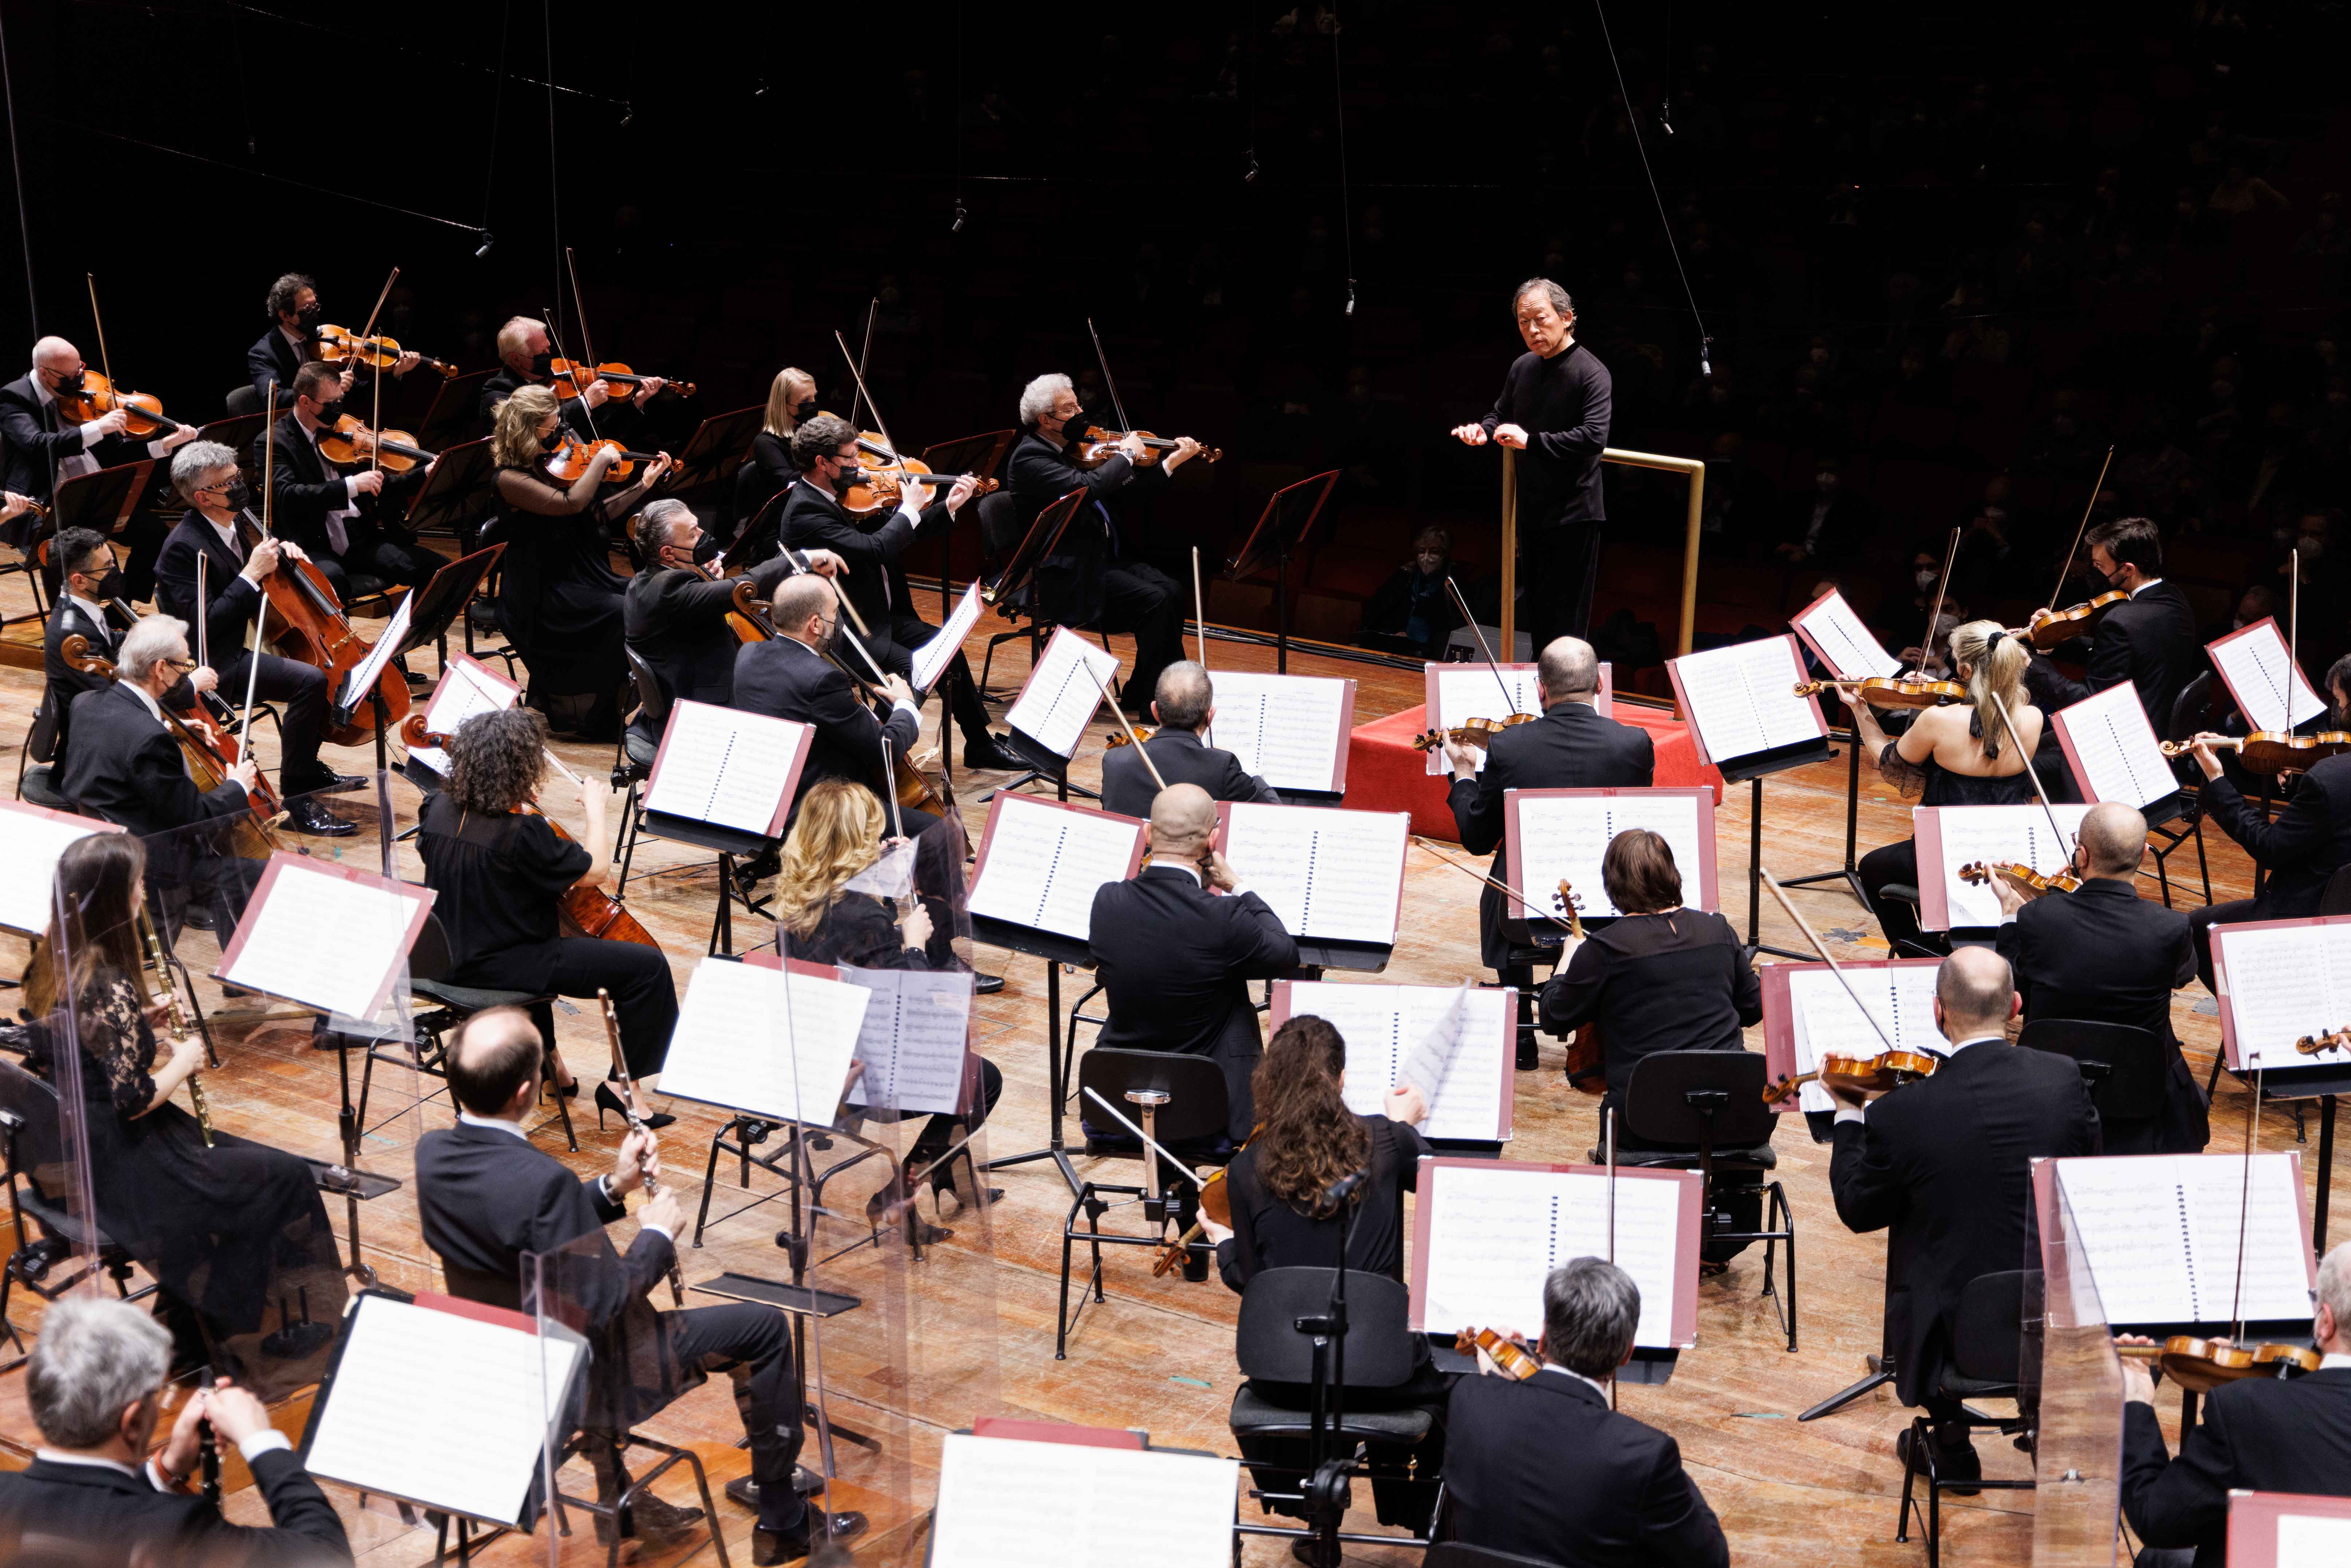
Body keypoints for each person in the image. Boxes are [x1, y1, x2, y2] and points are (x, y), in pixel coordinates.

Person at [414, 1007, 863, 1563]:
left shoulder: (434, 1153)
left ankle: (623, 1502)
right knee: (765, 1328)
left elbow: (521, 1221)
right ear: (528, 1090)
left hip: (511, 1358)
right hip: (589, 1372)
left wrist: (612, 1185)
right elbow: (601, 1305)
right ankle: (784, 1518)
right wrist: (655, 1235)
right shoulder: (542, 1181)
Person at [20, 833, 347, 1398]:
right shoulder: (108, 981)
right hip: (126, 1158)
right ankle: (229, 1330)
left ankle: (197, 1317)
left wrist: (138, 1025)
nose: (145, 891)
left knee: (258, 1169)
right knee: (281, 1178)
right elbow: (134, 1098)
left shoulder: (51, 957)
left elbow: (67, 1041)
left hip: (77, 1144)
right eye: (137, 884)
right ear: (114, 900)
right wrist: (185, 1059)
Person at [1829, 946, 2100, 1486]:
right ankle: (2046, 1420)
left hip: (1957, 1333)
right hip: (2055, 1318)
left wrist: (1849, 1114)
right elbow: (2087, 1183)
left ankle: (1950, 1442)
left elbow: (1859, 1209)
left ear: (1938, 1011)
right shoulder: (2064, 1081)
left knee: (1932, 1235)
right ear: (2016, 1006)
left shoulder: (1903, 1112)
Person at [1200, 1014, 1443, 1532]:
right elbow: (1442, 1187)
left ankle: (1310, 1511)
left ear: (1270, 1082)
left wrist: (1222, 1245)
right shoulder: (1384, 1140)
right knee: (1461, 1371)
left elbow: (1251, 1277)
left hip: (1284, 1374)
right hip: (1381, 1371)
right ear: (1339, 1079)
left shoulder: (1245, 1169)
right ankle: (1423, 1514)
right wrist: (1404, 1125)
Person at [416, 707, 676, 1127]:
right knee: (647, 968)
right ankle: (622, 1088)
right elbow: (594, 871)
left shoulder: (436, 809)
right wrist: (596, 809)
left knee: (530, 925)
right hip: (503, 966)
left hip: (445, 956)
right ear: (521, 767)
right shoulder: (522, 834)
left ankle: (554, 1074)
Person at [775, 779, 1003, 1227]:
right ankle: (902, 1190)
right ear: (854, 844)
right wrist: (914, 945)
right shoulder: (865, 916)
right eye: (871, 836)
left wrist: (883, 874)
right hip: (860, 1078)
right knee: (981, 1079)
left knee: (962, 1066)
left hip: (818, 1054)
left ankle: (953, 1178)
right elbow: (908, 1014)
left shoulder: (796, 895)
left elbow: (852, 959)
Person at [0, 1296, 352, 1567]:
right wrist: (260, 1440)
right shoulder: (174, 1530)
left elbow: (85, 1516)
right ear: (134, 1420)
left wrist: (165, 1468)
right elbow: (327, 1556)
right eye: (158, 1394)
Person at [1443, 635, 1654, 1066]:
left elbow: (1477, 839)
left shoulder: (1508, 747)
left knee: (1500, 881)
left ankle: (1520, 1031)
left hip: (1528, 906)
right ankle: (1599, 1022)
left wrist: (1464, 773)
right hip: (1612, 900)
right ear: (1599, 685)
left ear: (1540, 689)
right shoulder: (1634, 744)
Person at [1444, 1258, 1728, 1568]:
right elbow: (1710, 1560)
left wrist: (1502, 1380)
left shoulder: (1468, 1399)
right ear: (1626, 1353)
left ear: (1542, 1338)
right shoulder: (1644, 1455)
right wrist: (1664, 1471)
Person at [777, 412, 1019, 770]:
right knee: (916, 670)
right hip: (847, 629)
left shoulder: (843, 495)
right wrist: (908, 507)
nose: (860, 466)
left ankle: (980, 745)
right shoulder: (806, 511)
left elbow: (895, 534)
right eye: (850, 459)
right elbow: (875, 547)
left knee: (946, 650)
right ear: (822, 463)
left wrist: (947, 506)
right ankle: (876, 751)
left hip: (881, 615)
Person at [151, 441, 359, 837]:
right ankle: (297, 801)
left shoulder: (230, 522)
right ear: (203, 497)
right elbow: (202, 624)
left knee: (316, 673)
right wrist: (250, 573)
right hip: (211, 665)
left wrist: (282, 554)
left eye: (237, 476)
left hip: (241, 644)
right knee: (310, 680)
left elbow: (260, 580)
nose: (238, 485)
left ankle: (309, 771)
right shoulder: (181, 548)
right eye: (227, 481)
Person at [2117, 1239, 2351, 1568]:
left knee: (2160, 1557)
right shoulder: (2252, 1407)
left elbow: (2156, 1517)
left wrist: (2136, 1401)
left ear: (2326, 1322)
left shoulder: (2248, 1410)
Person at [1088, 783, 1299, 1146]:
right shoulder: (1224, 916)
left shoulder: (1107, 900)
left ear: (1148, 834)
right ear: (1212, 841)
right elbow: (1285, 953)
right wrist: (1238, 886)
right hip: (1206, 1104)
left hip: (1120, 1095)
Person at [1992, 801, 2208, 1153]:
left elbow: (2012, 995)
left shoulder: (2036, 918)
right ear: (2143, 854)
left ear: (2081, 855)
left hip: (2050, 1084)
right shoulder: (2171, 927)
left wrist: (2011, 918)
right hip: (2138, 1087)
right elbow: (2182, 976)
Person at [1538, 830, 1762, 1144]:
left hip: (1645, 1122)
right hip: (1732, 1114)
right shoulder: (1718, 929)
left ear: (1612, 885)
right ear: (1672, 876)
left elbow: (1553, 1018)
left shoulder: (1605, 948)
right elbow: (1753, 1009)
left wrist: (1567, 960)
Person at [1005, 372, 1203, 715]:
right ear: (1045, 420)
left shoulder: (1073, 449)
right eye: (1070, 408)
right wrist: (1124, 456)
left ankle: (1145, 691)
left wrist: (1170, 462)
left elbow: (1126, 494)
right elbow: (1088, 488)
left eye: (1078, 403)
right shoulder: (1030, 458)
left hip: (1099, 559)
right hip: (1064, 573)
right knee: (1155, 601)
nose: (1081, 412)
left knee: (1172, 591)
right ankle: (1166, 705)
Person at [56, 617, 267, 934]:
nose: (186, 672)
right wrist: (238, 786)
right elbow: (195, 817)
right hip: (152, 867)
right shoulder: (148, 739)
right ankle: (237, 977)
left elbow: (118, 746)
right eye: (183, 665)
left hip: (99, 850)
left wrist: (166, 731)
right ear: (160, 669)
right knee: (262, 875)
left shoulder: (85, 704)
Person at [487, 384, 672, 740]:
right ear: (529, 430)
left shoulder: (554, 464)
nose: (561, 433)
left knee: (645, 596)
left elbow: (595, 513)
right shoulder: (510, 479)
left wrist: (643, 485)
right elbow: (569, 504)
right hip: (544, 589)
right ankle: (601, 714)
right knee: (623, 610)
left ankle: (641, 704)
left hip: (582, 572)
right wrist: (600, 461)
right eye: (552, 426)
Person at [1849, 620, 2043, 952]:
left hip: (1946, 852)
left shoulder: (1938, 721)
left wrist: (1860, 709)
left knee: (1870, 866)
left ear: (1965, 670)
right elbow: (1985, 719)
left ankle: (1919, 951)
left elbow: (1889, 761)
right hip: (2004, 854)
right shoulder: (2032, 718)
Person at [1448, 279, 1612, 645]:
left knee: (1566, 622)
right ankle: (1541, 697)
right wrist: (1483, 430)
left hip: (1575, 512)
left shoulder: (1591, 372)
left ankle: (1568, 698)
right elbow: (1500, 412)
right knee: (1537, 615)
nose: (1532, 330)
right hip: (1533, 509)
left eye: (1540, 319)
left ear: (1567, 317)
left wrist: (1531, 441)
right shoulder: (1523, 366)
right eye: (1524, 323)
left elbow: (1593, 437)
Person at [2182, 655, 2351, 992]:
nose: (2336, 712)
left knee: (2196, 928)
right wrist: (2299, 784)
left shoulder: (2330, 778)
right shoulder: (2330, 777)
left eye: (2340, 701)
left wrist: (2217, 779)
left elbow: (2269, 848)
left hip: (2309, 911)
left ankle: (2249, 1012)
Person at [621, 498, 826, 725]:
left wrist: (705, 583)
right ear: (669, 554)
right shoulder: (669, 589)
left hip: (687, 691)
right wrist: (804, 559)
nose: (702, 535)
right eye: (692, 535)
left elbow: (694, 605)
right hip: (700, 712)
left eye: (698, 526)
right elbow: (742, 586)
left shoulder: (644, 581)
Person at [253, 361, 445, 600]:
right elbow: (287, 495)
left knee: (439, 570)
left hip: (358, 539)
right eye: (331, 404)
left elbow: (381, 485)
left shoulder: (344, 433)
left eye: (340, 400)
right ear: (305, 402)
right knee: (332, 582)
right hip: (311, 543)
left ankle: (408, 635)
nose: (339, 409)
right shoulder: (274, 441)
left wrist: (425, 472)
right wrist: (351, 486)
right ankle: (344, 639)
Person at [2023, 516, 2201, 736]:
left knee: (2015, 760)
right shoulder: (2174, 599)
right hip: (2157, 725)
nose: (2094, 571)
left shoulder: (2121, 620)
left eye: (2099, 566)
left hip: (2120, 736)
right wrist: (2056, 634)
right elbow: (2120, 653)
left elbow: (2089, 701)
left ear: (2128, 569)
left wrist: (2031, 665)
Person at [0, 336, 196, 529]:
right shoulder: (14, 397)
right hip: (41, 502)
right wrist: (99, 428)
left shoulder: (83, 398)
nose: (78, 381)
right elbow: (38, 444)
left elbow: (117, 453)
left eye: (79, 370)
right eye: (68, 378)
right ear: (44, 373)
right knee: (92, 553)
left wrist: (166, 443)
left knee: (153, 531)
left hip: (91, 496)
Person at [1097, 660, 1282, 819]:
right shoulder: (1222, 767)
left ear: (1155, 711)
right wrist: (1250, 769)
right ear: (1210, 716)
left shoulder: (1115, 761)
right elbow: (1274, 815)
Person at [36, 527, 137, 774]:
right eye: (107, 567)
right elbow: (112, 702)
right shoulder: (72, 636)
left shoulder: (79, 610)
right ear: (79, 581)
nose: (116, 572)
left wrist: (153, 638)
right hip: (93, 758)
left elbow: (110, 640)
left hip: (103, 735)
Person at [244, 270, 419, 408]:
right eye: (307, 310)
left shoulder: (326, 341)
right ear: (285, 315)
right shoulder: (263, 353)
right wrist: (325, 389)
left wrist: (395, 373)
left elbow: (359, 391)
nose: (315, 315)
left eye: (316, 306)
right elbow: (274, 399)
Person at [477, 315, 659, 441]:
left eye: (549, 348)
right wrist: (584, 403)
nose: (549, 355)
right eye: (541, 353)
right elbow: (536, 428)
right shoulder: (497, 393)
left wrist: (637, 402)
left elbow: (604, 434)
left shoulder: (561, 379)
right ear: (516, 359)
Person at [732, 366, 817, 541]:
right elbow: (788, 482)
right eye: (806, 400)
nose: (813, 404)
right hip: (782, 526)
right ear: (784, 404)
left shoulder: (810, 431)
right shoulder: (767, 443)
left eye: (815, 396)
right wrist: (825, 465)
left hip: (811, 514)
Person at [1357, 525, 1464, 659]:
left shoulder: (1454, 580)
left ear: (1444, 554)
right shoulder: (1407, 575)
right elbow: (1381, 609)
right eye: (1421, 551)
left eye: (1434, 552)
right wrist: (1393, 632)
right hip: (1401, 643)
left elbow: (1455, 624)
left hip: (1435, 649)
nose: (1426, 557)